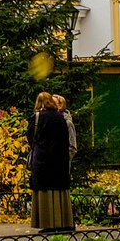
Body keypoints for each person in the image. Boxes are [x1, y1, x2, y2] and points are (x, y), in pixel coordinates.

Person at [27, 91, 73, 233]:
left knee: (44, 191)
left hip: (42, 159)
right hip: (60, 159)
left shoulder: (36, 117)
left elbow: (30, 138)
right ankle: (62, 222)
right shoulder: (61, 118)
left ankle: (47, 223)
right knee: (59, 190)